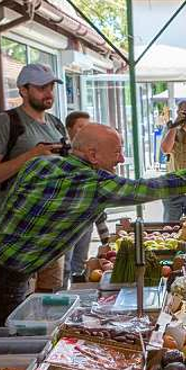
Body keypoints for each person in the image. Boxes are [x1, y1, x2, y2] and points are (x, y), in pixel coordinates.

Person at [0, 122, 186, 324]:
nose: (120, 160)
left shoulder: (40, 163)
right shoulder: (95, 184)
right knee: (10, 333)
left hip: (6, 260)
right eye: (116, 152)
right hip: (9, 274)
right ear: (93, 155)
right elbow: (159, 186)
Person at [0, 63, 68, 293]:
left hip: (51, 229)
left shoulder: (56, 124)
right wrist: (32, 155)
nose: (48, 93)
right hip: (15, 233)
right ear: (23, 90)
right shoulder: (7, 122)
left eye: (51, 87)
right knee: (16, 300)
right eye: (41, 88)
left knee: (51, 299)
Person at [63, 112, 110, 286]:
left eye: (87, 127)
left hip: (86, 221)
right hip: (67, 223)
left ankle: (77, 291)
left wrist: (106, 239)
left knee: (80, 264)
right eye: (80, 127)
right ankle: (63, 294)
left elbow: (97, 199)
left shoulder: (90, 158)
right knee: (64, 265)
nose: (84, 131)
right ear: (69, 130)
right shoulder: (64, 156)